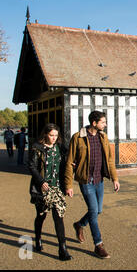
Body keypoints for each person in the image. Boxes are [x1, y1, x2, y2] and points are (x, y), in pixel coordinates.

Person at [64, 110, 120, 259]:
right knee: (94, 212)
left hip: (99, 180)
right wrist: (68, 184)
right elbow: (70, 162)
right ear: (94, 123)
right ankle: (98, 245)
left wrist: (115, 178)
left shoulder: (103, 137)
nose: (105, 124)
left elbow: (109, 159)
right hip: (86, 181)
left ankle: (80, 224)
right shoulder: (78, 137)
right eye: (103, 122)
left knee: (99, 210)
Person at [28, 123, 72, 261]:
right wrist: (41, 181)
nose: (54, 138)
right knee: (41, 216)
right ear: (45, 135)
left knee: (59, 216)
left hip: (57, 187)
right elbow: (31, 166)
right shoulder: (37, 148)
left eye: (56, 135)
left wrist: (71, 165)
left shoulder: (60, 147)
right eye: (51, 135)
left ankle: (62, 249)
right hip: (42, 188)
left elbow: (68, 159)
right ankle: (38, 238)